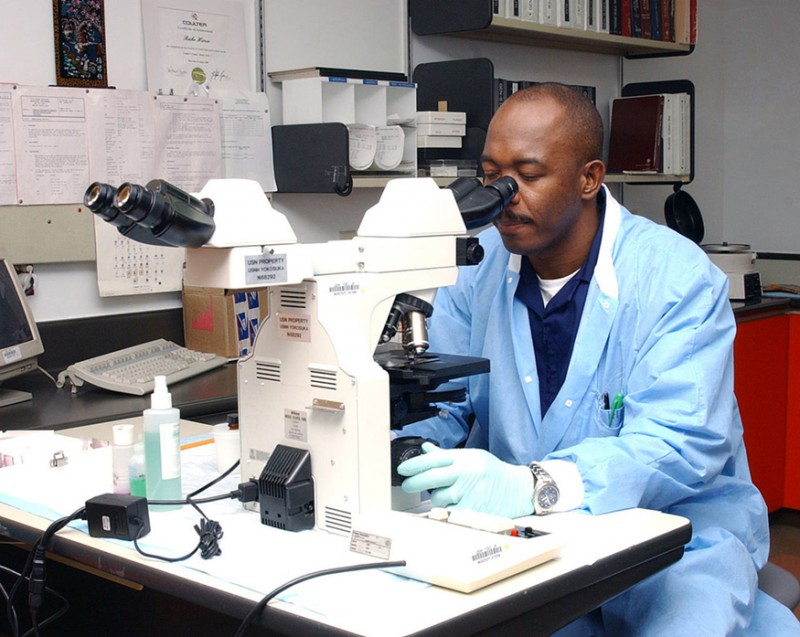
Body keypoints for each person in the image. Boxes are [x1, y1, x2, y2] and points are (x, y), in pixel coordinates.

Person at [396, 82, 800, 635]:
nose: (502, 195)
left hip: (678, 528)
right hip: (523, 529)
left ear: (590, 177)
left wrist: (530, 484)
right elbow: (444, 399)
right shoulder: (477, 265)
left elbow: (680, 444)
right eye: (491, 175)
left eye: (528, 175)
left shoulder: (674, 277)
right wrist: (403, 449)